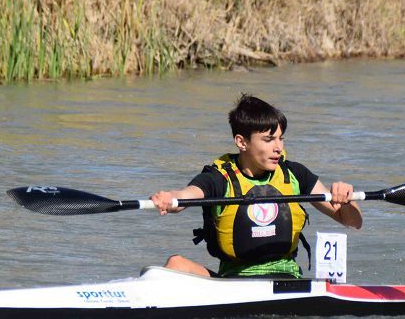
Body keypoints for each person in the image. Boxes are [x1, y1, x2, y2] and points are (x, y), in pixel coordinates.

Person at [150, 94, 362, 278]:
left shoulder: (294, 174)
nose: (278, 147)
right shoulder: (219, 178)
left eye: (281, 139)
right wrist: (170, 198)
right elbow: (187, 196)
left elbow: (352, 221)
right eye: (269, 139)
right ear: (241, 142)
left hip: (287, 278)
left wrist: (346, 199)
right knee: (175, 263)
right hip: (233, 281)